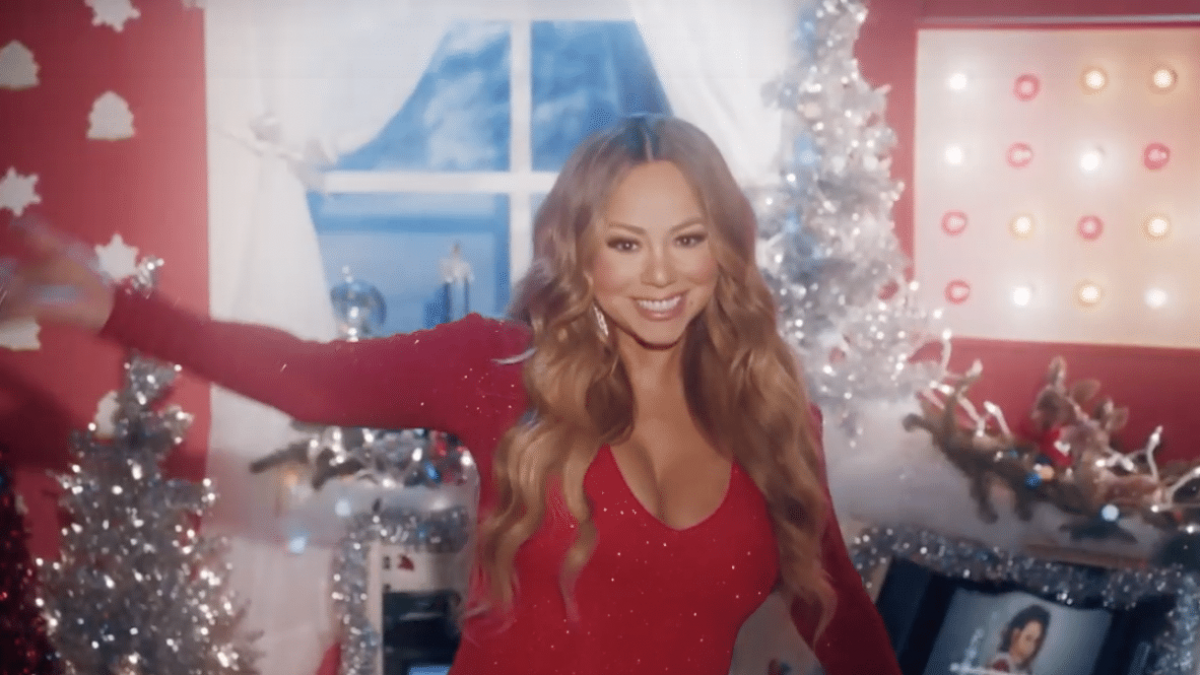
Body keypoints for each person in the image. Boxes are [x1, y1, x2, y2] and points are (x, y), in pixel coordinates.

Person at [0, 116, 901, 675]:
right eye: (626, 243)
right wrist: (118, 309)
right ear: (581, 253)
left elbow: (841, 617)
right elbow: (309, 373)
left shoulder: (777, 417)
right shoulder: (500, 370)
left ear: (724, 248)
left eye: (688, 238)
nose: (660, 274)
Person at [988, 604, 1050, 674]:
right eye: (1028, 638)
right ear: (1015, 634)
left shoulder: (1022, 669)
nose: (1032, 647)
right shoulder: (1001, 665)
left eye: (1036, 641)